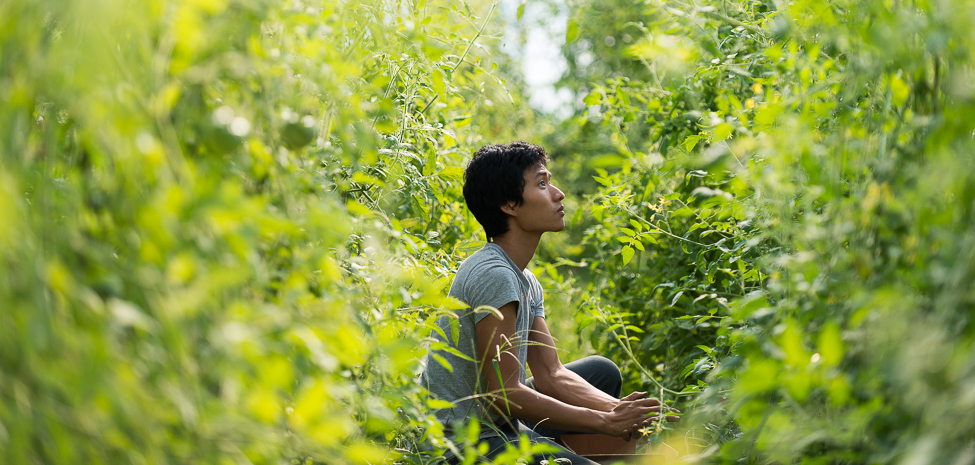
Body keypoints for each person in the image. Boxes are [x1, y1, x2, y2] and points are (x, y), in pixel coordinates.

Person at [420, 142, 678, 464]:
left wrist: (624, 411)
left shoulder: (525, 280)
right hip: (463, 441)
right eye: (541, 184)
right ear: (509, 204)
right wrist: (606, 421)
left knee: (601, 372)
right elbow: (503, 394)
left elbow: (551, 374)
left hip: (500, 424)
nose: (558, 194)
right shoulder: (494, 274)